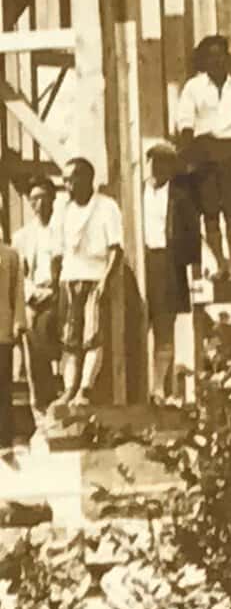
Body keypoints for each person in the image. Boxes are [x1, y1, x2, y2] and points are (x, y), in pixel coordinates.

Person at [174, 34, 231, 282]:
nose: (216, 60)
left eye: (220, 55)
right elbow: (185, 122)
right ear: (203, 60)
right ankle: (219, 263)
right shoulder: (193, 87)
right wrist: (188, 157)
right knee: (210, 211)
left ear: (227, 58)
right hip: (205, 151)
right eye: (210, 56)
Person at [56, 157, 123, 419]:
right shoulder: (65, 210)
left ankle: (85, 388)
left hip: (94, 277)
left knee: (92, 337)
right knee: (69, 340)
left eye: (71, 179)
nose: (67, 185)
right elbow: (59, 250)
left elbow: (116, 249)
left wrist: (106, 280)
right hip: (69, 279)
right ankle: (68, 389)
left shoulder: (106, 207)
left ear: (86, 179)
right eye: (65, 180)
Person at [141, 139, 190, 405]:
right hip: (142, 260)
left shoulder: (180, 195)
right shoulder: (136, 193)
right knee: (138, 323)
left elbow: (190, 233)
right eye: (154, 161)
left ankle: (159, 387)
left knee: (165, 325)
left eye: (164, 162)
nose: (157, 167)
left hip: (168, 262)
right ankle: (139, 387)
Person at [14, 176, 61, 417]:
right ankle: (40, 406)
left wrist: (55, 291)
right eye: (34, 199)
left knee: (66, 346)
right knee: (33, 347)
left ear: (53, 198)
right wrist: (32, 293)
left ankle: (64, 400)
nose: (39, 204)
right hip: (34, 296)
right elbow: (18, 273)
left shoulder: (63, 229)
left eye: (44, 198)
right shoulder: (22, 236)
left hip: (59, 295)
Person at [0, 234, 25, 451]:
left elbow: (18, 292)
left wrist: (18, 321)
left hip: (2, 329)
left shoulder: (10, 256)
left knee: (3, 386)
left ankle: (4, 439)